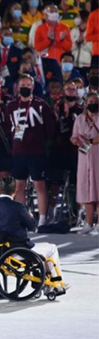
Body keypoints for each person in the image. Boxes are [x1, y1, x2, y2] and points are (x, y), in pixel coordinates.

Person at [0, 176, 67, 293]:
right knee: (51, 248)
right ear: (15, 191)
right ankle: (57, 284)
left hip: (1, 251)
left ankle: (41, 279)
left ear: (0, 190)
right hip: (20, 250)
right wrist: (30, 217)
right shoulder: (18, 207)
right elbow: (32, 227)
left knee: (41, 252)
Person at [6, 75, 55, 226]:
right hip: (18, 151)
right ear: (17, 87)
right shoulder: (11, 106)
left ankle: (41, 219)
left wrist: (38, 139)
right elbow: (8, 127)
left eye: (28, 85)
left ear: (33, 87)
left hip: (36, 151)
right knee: (19, 185)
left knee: (39, 185)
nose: (25, 87)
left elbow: (50, 129)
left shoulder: (41, 105)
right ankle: (21, 217)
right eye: (23, 85)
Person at [71, 93, 99, 235]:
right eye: (89, 101)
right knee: (86, 190)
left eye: (94, 101)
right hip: (83, 157)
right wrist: (76, 141)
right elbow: (74, 136)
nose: (92, 103)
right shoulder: (80, 119)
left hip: (97, 157)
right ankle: (88, 223)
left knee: (97, 189)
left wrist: (92, 141)